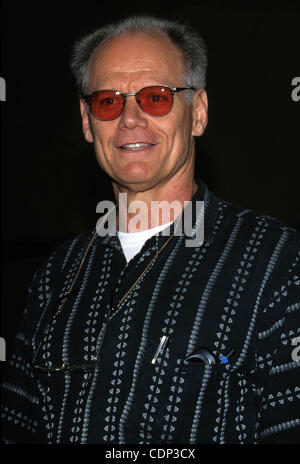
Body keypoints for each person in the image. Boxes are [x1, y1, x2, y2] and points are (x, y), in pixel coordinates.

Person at [1, 15, 300, 445]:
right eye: (108, 101)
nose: (130, 118)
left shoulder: (277, 264)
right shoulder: (54, 279)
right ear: (88, 123)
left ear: (197, 114)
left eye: (156, 98)